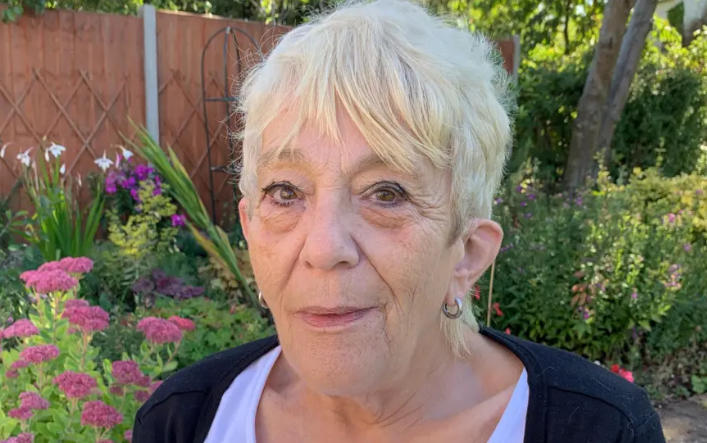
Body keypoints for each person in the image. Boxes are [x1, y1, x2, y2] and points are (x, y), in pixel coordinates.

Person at [132, 0, 665, 441]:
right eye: (286, 191)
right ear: (250, 230)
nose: (323, 247)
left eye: (386, 193)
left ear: (468, 252)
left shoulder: (600, 429)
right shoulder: (182, 422)